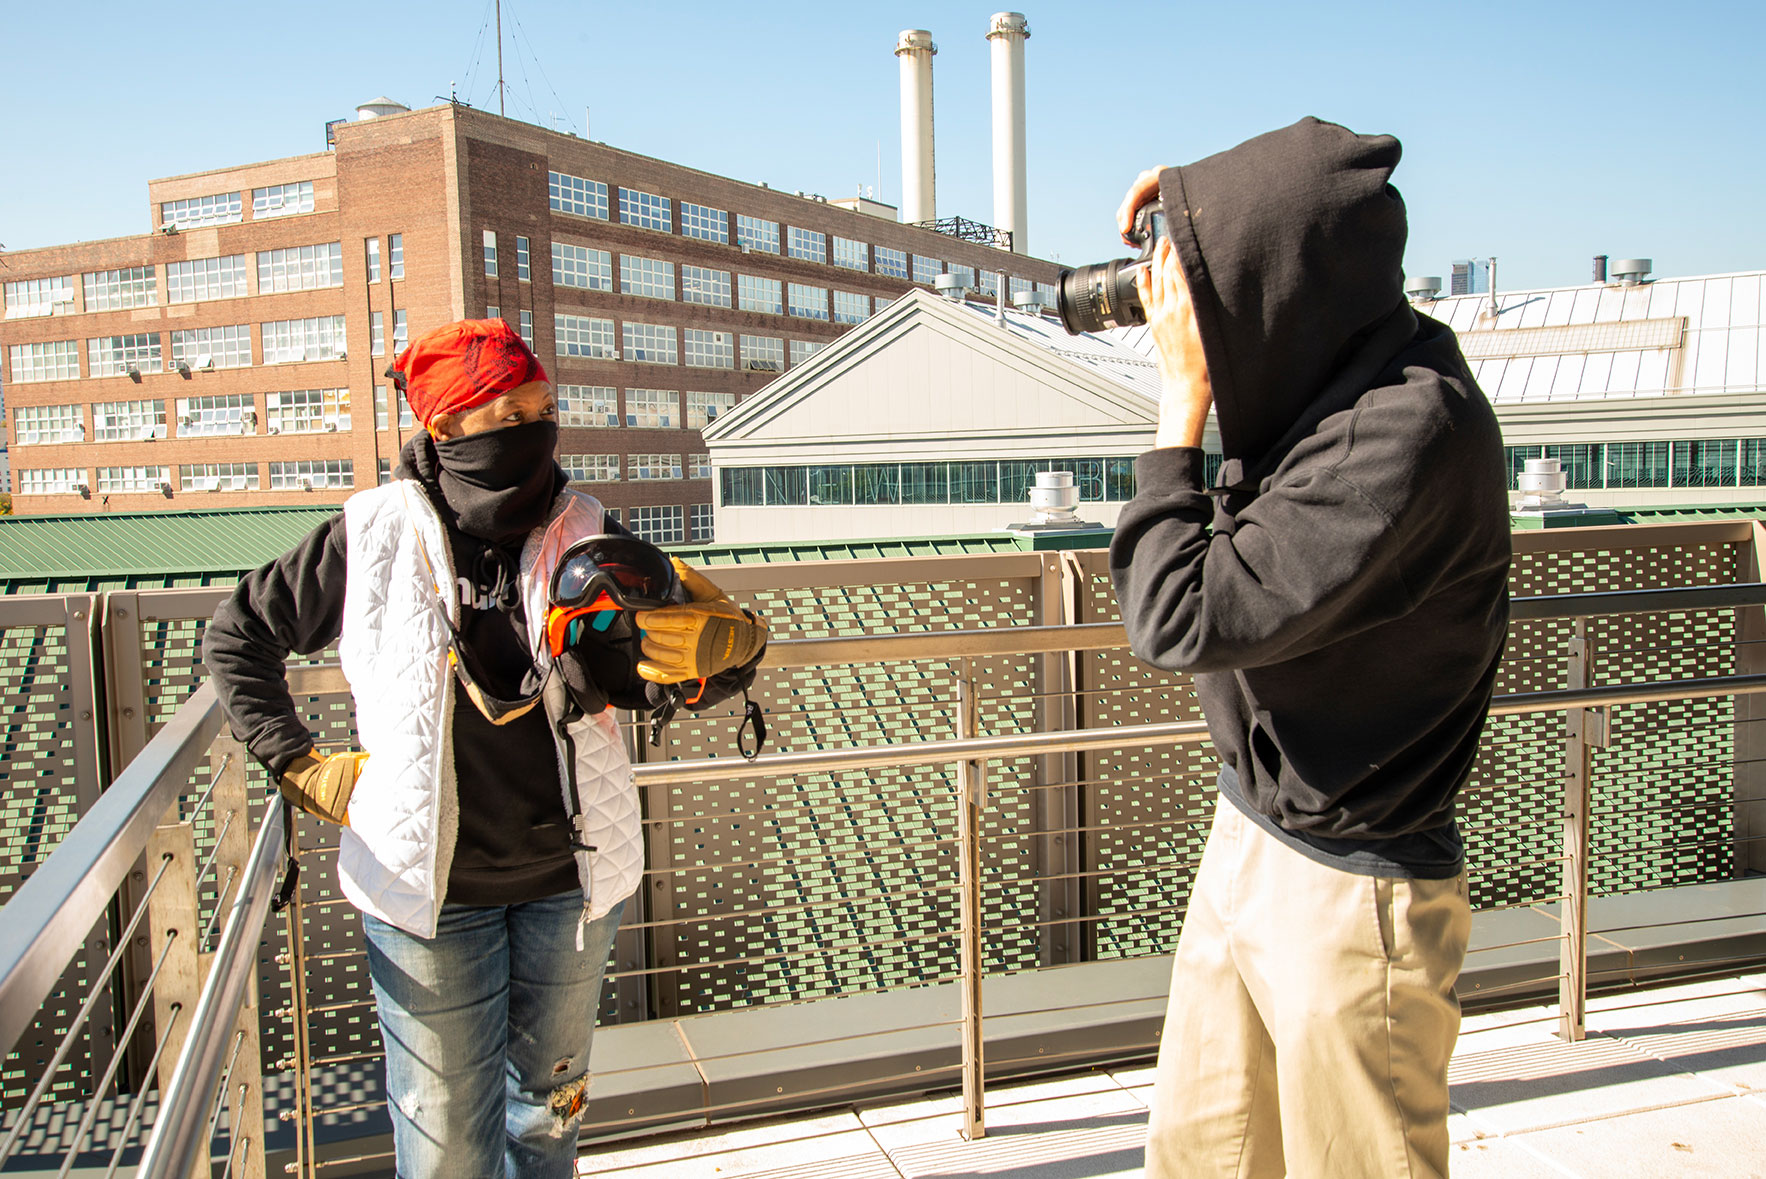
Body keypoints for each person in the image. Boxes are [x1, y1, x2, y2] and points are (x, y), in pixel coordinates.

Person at [203, 318, 767, 1178]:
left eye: (543, 407)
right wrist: (299, 762)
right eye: (507, 414)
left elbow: (640, 668)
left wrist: (717, 660)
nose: (534, 429)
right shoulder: (375, 534)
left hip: (571, 888)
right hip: (428, 895)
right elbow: (238, 635)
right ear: (446, 429)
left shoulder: (584, 523)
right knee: (445, 1148)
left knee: (547, 1124)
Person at [1108, 118, 1511, 1177]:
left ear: (1282, 282)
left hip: (1354, 888)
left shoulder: (1410, 427)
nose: (1181, 312)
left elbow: (1179, 618)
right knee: (1203, 1158)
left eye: (1212, 285)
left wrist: (1179, 407)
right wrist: (1203, 204)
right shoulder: (1336, 368)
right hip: (1250, 831)